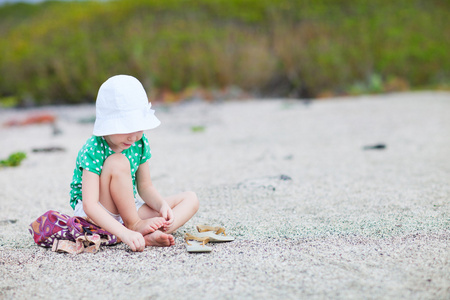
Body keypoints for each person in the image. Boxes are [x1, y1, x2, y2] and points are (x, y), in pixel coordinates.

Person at [69, 75, 199, 252]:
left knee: (190, 198)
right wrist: (127, 231)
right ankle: (133, 229)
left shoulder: (139, 142)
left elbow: (145, 187)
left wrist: (161, 206)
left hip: (126, 208)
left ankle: (145, 235)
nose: (133, 136)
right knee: (118, 161)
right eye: (125, 128)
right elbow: (89, 205)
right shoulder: (93, 148)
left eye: (138, 127)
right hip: (99, 214)